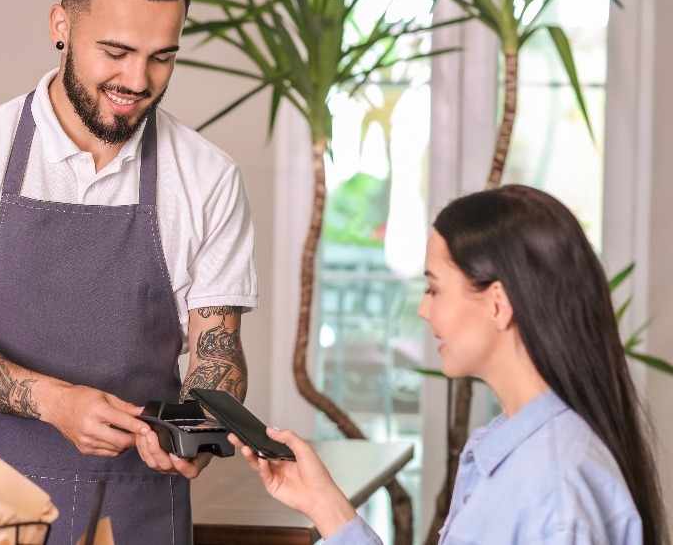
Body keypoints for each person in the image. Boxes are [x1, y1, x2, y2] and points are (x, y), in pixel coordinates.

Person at [0, 0, 257, 545]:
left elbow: (216, 349)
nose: (137, 79)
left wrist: (202, 424)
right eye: (116, 51)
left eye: (161, 57)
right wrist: (57, 403)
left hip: (139, 503)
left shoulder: (208, 177)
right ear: (61, 26)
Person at [229, 185, 668, 544]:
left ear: (497, 303)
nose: (424, 310)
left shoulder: (554, 488)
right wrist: (322, 502)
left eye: (434, 289)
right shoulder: (512, 449)